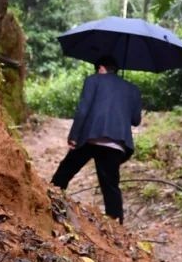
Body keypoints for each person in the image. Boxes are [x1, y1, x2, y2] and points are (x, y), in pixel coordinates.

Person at [50, 55, 142, 224]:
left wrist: (73, 136)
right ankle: (116, 224)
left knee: (65, 172)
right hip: (116, 144)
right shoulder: (133, 89)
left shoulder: (94, 80)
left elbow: (83, 109)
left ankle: (51, 202)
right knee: (110, 186)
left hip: (90, 138)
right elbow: (136, 120)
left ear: (101, 68)